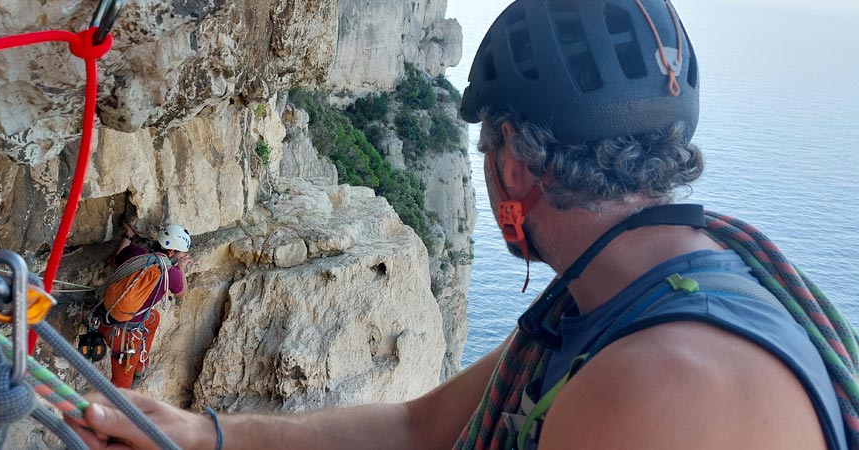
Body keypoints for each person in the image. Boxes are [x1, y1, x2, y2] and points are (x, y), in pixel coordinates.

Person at [67, 1, 855, 449]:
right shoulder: (615, 303)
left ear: (513, 160)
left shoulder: (664, 390)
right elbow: (418, 429)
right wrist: (204, 436)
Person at [95, 222, 194, 389]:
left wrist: (128, 235)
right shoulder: (171, 274)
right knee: (122, 387)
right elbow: (181, 292)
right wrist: (182, 268)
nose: (183, 257)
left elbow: (114, 260)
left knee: (153, 318)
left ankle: (140, 365)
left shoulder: (136, 254)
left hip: (105, 317)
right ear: (171, 252)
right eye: (182, 254)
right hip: (125, 337)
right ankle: (124, 393)